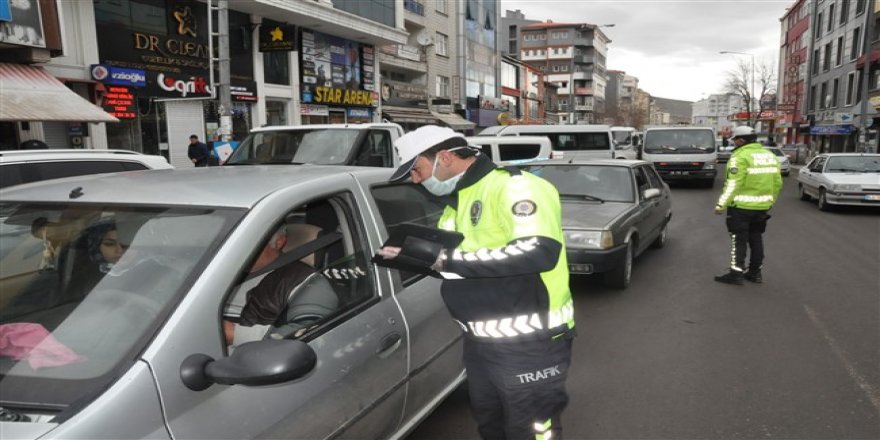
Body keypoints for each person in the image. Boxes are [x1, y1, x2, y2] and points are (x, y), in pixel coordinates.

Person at [378, 125, 575, 440]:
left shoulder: (515, 188)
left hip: (531, 343)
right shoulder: (458, 200)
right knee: (491, 424)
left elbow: (539, 251)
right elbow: (463, 262)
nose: (415, 179)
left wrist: (447, 261)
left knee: (532, 430)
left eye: (416, 169)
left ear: (444, 157)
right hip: (480, 341)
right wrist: (413, 256)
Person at [714, 125, 783, 285]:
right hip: (762, 208)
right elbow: (777, 182)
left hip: (740, 208)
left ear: (742, 140)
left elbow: (733, 184)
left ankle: (736, 274)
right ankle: (755, 273)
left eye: (735, 140)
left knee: (738, 241)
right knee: (756, 239)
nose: (734, 143)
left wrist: (721, 205)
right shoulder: (769, 156)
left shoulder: (740, 157)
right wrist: (770, 201)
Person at [223, 226, 313, 345]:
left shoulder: (301, 279)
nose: (240, 251)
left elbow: (305, 333)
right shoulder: (219, 269)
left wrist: (233, 334)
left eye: (250, 244)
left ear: (279, 242)